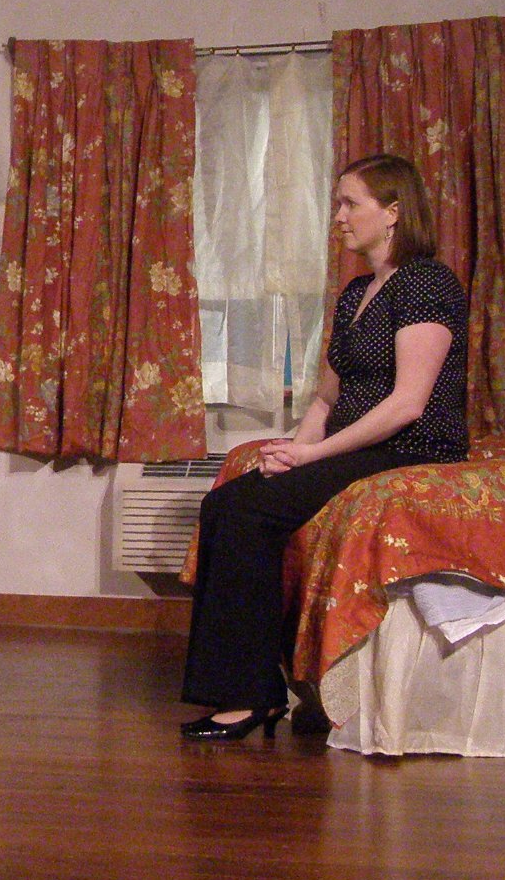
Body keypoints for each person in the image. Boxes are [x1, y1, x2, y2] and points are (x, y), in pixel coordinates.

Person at [180, 153, 468, 741]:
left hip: (409, 446)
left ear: (393, 212)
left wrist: (315, 456)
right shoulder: (358, 291)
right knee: (225, 504)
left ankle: (248, 698)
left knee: (248, 511)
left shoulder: (427, 283)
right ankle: (250, 686)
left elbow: (408, 403)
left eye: (349, 203)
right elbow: (326, 399)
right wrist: (294, 449)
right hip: (353, 445)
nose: (338, 216)